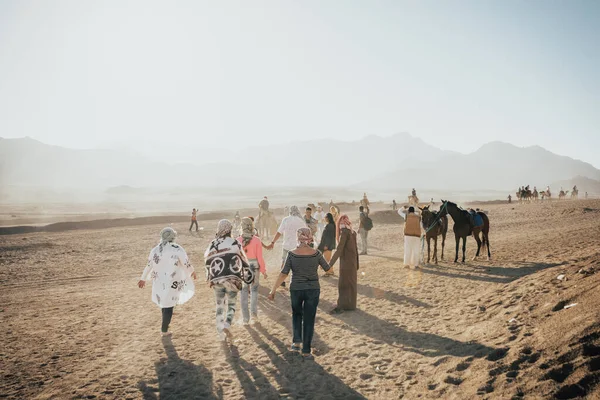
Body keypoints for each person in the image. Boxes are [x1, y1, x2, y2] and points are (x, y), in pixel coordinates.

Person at [268, 228, 331, 357]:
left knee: (297, 314)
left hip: (296, 288)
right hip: (313, 289)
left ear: (298, 238)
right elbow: (328, 269)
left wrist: (273, 290)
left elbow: (283, 273)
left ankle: (296, 343)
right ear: (310, 238)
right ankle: (306, 350)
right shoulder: (317, 253)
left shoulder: (291, 254)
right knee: (309, 318)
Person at [138, 227, 196, 336]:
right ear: (173, 236)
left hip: (159, 282)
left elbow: (149, 265)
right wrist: (192, 271)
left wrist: (143, 278)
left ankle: (164, 328)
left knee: (165, 304)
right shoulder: (177, 248)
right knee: (168, 305)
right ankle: (164, 330)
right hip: (172, 282)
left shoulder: (155, 250)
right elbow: (185, 262)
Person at [205, 220, 254, 341]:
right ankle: (227, 324)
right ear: (230, 230)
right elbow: (243, 259)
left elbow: (207, 261)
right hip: (233, 279)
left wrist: (209, 277)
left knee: (219, 306)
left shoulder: (213, 243)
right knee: (231, 304)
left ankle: (221, 335)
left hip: (217, 280)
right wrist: (248, 275)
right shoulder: (234, 242)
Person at [237, 218, 267, 325]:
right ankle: (254, 314)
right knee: (254, 290)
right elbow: (260, 257)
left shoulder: (237, 240)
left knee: (243, 291)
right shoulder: (257, 240)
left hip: (242, 266)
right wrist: (263, 270)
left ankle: (245, 318)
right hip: (255, 266)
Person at [266, 206, 307, 284]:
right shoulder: (300, 221)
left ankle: (282, 280)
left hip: (286, 245)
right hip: (296, 246)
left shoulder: (285, 220)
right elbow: (305, 233)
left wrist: (273, 242)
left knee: (284, 263)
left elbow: (279, 232)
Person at [328, 215, 359, 313]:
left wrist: (329, 264)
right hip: (352, 262)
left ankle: (341, 306)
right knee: (351, 284)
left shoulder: (344, 233)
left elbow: (339, 250)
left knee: (343, 284)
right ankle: (351, 305)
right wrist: (357, 263)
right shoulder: (352, 232)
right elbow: (356, 250)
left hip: (346, 263)